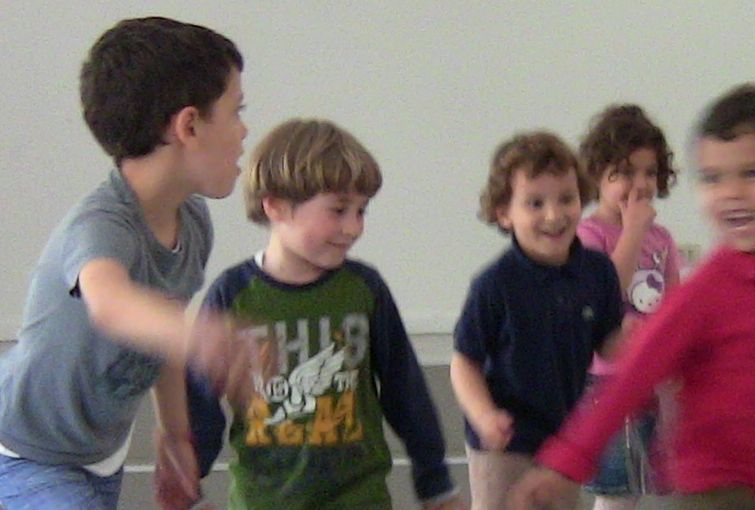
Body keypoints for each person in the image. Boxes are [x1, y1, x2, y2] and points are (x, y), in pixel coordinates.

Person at [510, 83, 755, 510]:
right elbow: (632, 377)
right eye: (713, 178)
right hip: (717, 486)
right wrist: (564, 463)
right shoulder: (705, 291)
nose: (731, 192)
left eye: (753, 173)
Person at [0, 17, 251, 510]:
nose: (244, 132)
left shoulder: (192, 221)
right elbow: (110, 304)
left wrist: (174, 433)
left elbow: (160, 330)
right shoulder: (101, 225)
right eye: (236, 112)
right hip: (24, 455)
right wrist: (203, 337)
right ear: (189, 126)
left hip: (99, 458)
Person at [172, 119, 464, 510]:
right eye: (339, 210)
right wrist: (189, 493)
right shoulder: (233, 295)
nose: (354, 227)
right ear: (276, 205)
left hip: (359, 500)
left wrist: (436, 484)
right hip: (265, 502)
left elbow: (406, 393)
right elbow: (199, 402)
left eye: (361, 211)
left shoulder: (364, 289)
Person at [450, 131, 624, 510]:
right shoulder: (495, 284)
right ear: (504, 213)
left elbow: (610, 345)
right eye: (535, 203)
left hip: (563, 437)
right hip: (504, 443)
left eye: (566, 198)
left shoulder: (597, 272)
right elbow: (464, 362)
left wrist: (645, 343)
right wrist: (484, 415)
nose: (554, 215)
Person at [577, 104, 682, 510]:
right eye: (624, 172)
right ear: (596, 176)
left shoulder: (663, 239)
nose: (639, 184)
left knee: (640, 488)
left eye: (649, 173)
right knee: (615, 493)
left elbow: (674, 305)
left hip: (651, 381)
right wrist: (634, 228)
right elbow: (605, 291)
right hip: (606, 385)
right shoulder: (588, 235)